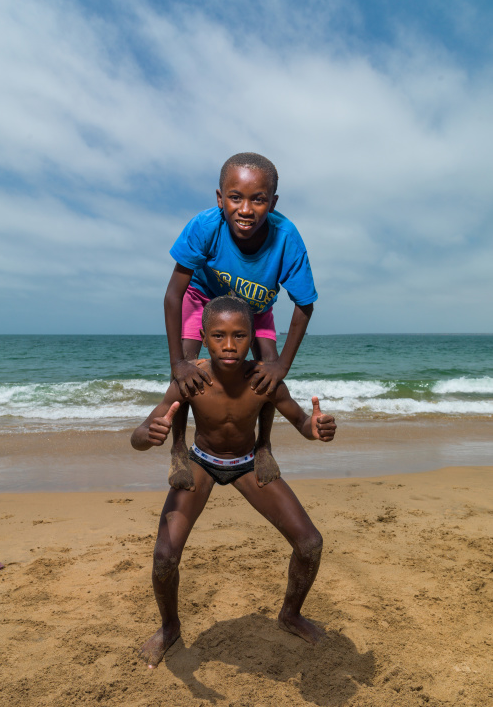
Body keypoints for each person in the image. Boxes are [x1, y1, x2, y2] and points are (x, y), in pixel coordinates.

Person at [131, 296, 336, 667]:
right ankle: (170, 627)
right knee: (164, 557)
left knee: (310, 544)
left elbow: (303, 423)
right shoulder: (190, 379)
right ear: (204, 338)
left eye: (240, 335)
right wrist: (150, 435)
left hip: (246, 465)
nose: (229, 345)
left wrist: (317, 428)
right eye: (219, 336)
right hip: (202, 463)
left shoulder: (264, 380)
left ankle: (290, 615)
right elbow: (139, 434)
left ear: (251, 336)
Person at [164, 152, 318, 492]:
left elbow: (304, 304)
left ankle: (263, 445)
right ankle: (178, 447)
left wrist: (282, 368)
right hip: (201, 299)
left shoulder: (286, 237)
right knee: (187, 369)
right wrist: (178, 362)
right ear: (220, 198)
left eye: (258, 200)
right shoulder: (205, 226)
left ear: (272, 202)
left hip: (255, 308)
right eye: (235, 197)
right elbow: (173, 295)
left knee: (268, 371)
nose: (245, 210)